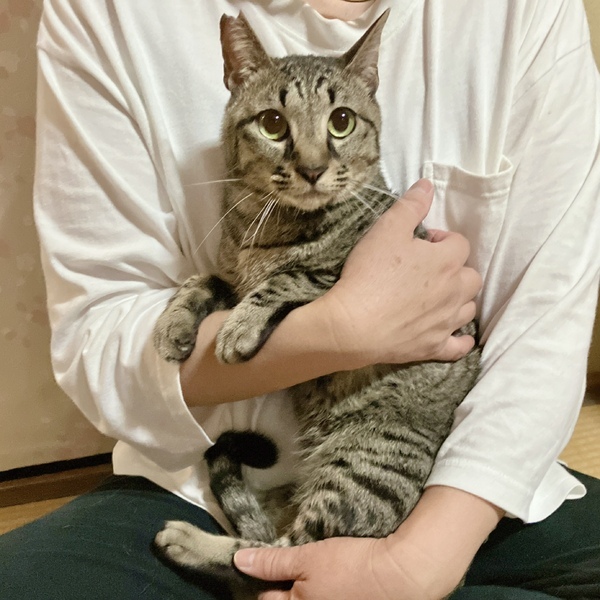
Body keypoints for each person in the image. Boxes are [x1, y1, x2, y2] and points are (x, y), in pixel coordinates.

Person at [1, 0, 599, 598]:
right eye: (275, 126)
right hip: (193, 482)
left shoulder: (529, 14)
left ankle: (261, 558)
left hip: (440, 467)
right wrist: (339, 327)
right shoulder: (102, 16)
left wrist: (416, 563)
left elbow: (547, 329)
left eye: (340, 124)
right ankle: (270, 553)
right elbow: (98, 337)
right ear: (237, 92)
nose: (312, 161)